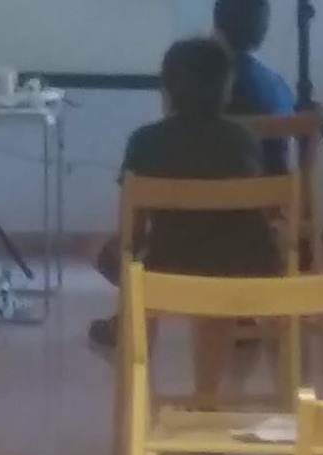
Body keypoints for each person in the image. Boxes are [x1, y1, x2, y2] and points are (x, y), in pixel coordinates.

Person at [86, 37, 283, 349]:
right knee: (219, 255)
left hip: (170, 270)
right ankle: (223, 347)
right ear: (226, 90)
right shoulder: (243, 140)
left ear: (167, 91)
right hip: (247, 271)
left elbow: (130, 233)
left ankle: (132, 336)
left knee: (107, 250)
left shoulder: (145, 142)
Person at [212, 0, 297, 176]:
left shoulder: (205, 86)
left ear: (216, 27)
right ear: (263, 32)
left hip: (214, 189)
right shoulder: (279, 87)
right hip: (271, 189)